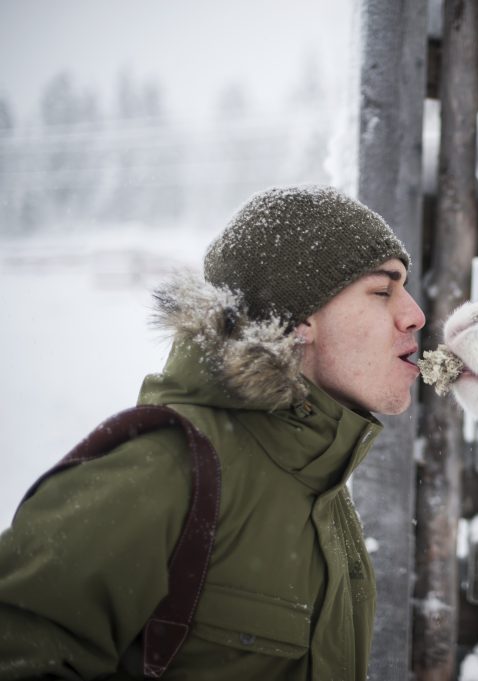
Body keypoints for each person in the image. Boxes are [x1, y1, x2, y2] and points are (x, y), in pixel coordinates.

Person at [0, 186, 426, 680]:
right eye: (382, 290)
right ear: (298, 321)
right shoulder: (165, 468)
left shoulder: (319, 487)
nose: (415, 313)